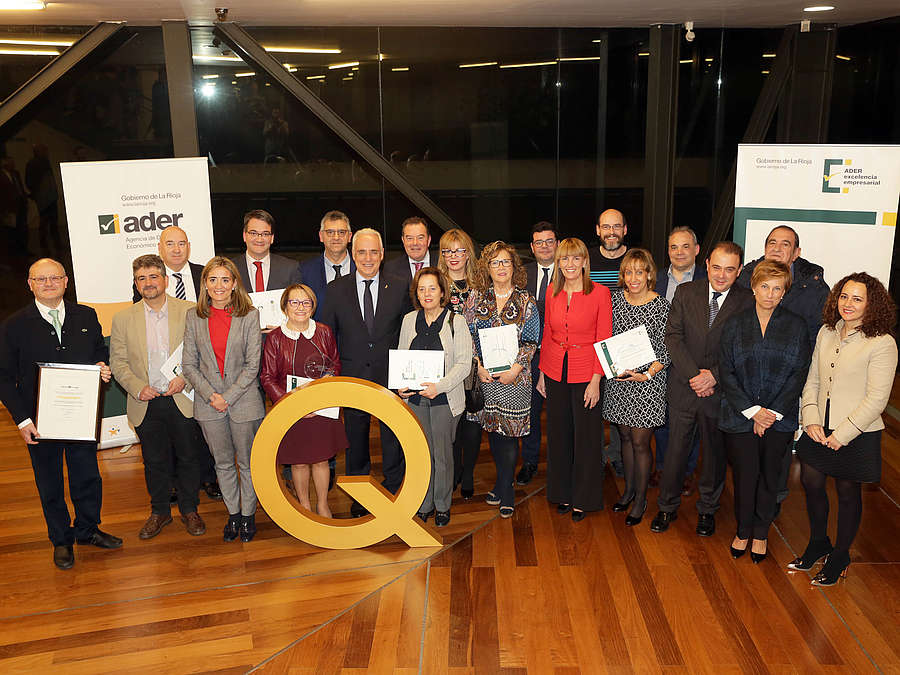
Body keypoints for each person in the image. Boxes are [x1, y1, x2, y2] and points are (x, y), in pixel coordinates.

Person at [0, 258, 120, 569]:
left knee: (88, 477)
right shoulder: (13, 325)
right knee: (49, 482)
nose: (49, 283)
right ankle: (61, 540)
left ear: (66, 281)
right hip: (39, 422)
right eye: (41, 279)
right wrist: (22, 421)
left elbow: (98, 352)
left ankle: (87, 530)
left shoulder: (86, 315)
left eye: (55, 278)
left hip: (80, 415)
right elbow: (3, 377)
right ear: (30, 284)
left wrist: (100, 366)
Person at [792, 273, 897, 585]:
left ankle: (840, 555)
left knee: (848, 492)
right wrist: (810, 418)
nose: (847, 304)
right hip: (818, 427)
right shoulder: (827, 332)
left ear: (871, 303)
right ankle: (817, 543)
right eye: (844, 296)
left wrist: (843, 434)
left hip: (857, 432)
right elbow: (812, 379)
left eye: (857, 298)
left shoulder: (882, 343)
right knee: (811, 483)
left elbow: (877, 398)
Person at [650, 242, 754, 536]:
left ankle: (707, 510)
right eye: (717, 267)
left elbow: (744, 348)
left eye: (730, 269)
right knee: (674, 453)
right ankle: (667, 507)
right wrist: (696, 376)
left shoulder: (747, 302)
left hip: (721, 394)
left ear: (739, 271)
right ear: (706, 264)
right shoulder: (686, 293)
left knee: (713, 456)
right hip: (684, 387)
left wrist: (714, 377)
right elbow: (673, 337)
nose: (721, 275)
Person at [718, 260, 810, 563]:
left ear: (784, 292)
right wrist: (753, 411)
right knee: (745, 478)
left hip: (779, 418)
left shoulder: (796, 326)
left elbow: (799, 372)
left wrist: (769, 413)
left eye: (777, 288)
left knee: (771, 478)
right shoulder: (734, 322)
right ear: (754, 288)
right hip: (740, 415)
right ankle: (743, 531)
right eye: (765, 287)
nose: (770, 294)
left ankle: (760, 533)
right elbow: (727, 371)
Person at [110, 255, 207, 539]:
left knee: (189, 457)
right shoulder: (122, 319)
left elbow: (200, 353)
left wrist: (185, 378)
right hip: (145, 400)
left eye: (153, 276)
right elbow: (118, 362)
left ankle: (190, 509)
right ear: (136, 283)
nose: (148, 283)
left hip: (183, 397)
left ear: (165, 280)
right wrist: (137, 387)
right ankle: (160, 511)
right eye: (142, 278)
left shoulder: (190, 311)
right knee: (154, 460)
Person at [319, 228, 412, 517]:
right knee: (355, 440)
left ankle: (394, 490)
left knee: (393, 437)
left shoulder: (400, 286)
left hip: (390, 376)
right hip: (352, 376)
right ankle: (361, 496)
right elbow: (327, 334)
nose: (368, 258)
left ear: (382, 255)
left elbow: (408, 331)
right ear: (352, 254)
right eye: (361, 252)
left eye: (374, 252)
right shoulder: (336, 289)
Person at [737, 225, 829, 510]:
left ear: (797, 253)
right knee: (747, 452)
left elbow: (816, 342)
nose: (777, 248)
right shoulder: (744, 280)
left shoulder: (813, 288)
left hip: (787, 387)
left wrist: (791, 386)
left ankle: (772, 501)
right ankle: (746, 502)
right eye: (772, 242)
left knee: (778, 451)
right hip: (747, 386)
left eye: (785, 244)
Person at [133, 225, 221, 502]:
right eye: (169, 244)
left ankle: (209, 477)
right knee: (174, 428)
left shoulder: (203, 275)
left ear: (189, 246)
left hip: (204, 364)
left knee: (204, 425)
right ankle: (172, 483)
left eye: (181, 243)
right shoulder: (149, 282)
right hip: (167, 373)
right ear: (160, 249)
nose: (176, 249)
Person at [182, 257, 265, 542]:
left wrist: (227, 397)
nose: (219, 286)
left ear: (234, 284)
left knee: (248, 462)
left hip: (244, 402)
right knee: (223, 464)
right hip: (208, 404)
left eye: (225, 280)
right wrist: (211, 396)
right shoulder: (194, 316)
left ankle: (248, 515)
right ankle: (233, 514)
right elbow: (189, 365)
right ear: (205, 283)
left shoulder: (250, 315)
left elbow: (253, 365)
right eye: (213, 279)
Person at [536, 238, 611, 521]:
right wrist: (543, 371)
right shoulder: (552, 293)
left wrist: (595, 380)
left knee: (586, 438)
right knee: (559, 434)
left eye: (575, 259)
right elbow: (546, 334)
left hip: (586, 372)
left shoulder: (600, 294)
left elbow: (603, 338)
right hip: (556, 370)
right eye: (564, 259)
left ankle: (584, 498)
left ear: (584, 262)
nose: (569, 264)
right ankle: (562, 493)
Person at [463, 241, 540, 518]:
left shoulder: (526, 300)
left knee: (509, 435)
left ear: (514, 266)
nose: (501, 267)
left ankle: (506, 490)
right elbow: (467, 337)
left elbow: (531, 341)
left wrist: (515, 370)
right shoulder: (474, 299)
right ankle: (500, 481)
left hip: (514, 380)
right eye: (495, 262)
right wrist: (478, 365)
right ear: (487, 268)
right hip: (484, 379)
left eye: (506, 262)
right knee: (494, 431)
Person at [260, 284, 345, 518]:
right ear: (285, 306)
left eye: (306, 302)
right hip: (291, 410)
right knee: (298, 462)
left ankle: (323, 505)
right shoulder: (275, 338)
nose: (300, 307)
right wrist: (291, 406)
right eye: (294, 302)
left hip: (322, 408)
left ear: (313, 306)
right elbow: (267, 377)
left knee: (321, 460)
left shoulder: (325, 332)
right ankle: (305, 506)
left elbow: (335, 364)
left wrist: (325, 388)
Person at [397, 267, 472, 527]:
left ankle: (441, 505)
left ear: (442, 292)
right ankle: (423, 502)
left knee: (442, 455)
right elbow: (402, 358)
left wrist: (438, 387)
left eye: (432, 288)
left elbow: (464, 365)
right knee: (420, 453)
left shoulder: (456, 322)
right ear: (416, 293)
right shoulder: (409, 320)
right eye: (421, 288)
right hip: (415, 400)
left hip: (444, 399)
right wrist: (401, 385)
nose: (427, 293)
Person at [603, 248, 670, 526]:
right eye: (628, 272)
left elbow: (668, 348)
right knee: (626, 439)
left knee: (641, 442)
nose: (633, 277)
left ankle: (641, 499)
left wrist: (647, 375)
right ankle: (629, 490)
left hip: (647, 384)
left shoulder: (661, 305)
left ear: (649, 274)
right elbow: (605, 338)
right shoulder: (614, 301)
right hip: (620, 383)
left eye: (639, 272)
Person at [651, 226, 707, 494]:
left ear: (696, 250)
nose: (679, 252)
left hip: (693, 364)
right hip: (660, 362)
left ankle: (684, 472)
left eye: (686, 246)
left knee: (690, 419)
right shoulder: (656, 280)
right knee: (662, 419)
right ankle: (663, 466)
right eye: (674, 247)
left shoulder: (710, 281)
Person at [438, 228, 481, 500]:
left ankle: (468, 474)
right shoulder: (436, 284)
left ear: (468, 254)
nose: (454, 256)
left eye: (459, 250)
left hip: (477, 365)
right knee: (450, 422)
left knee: (473, 422)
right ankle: (452, 473)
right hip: (446, 365)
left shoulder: (481, 285)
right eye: (448, 251)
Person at [587, 208, 627, 475]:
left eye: (616, 227)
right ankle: (595, 456)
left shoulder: (634, 261)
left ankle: (618, 456)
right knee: (593, 404)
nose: (611, 232)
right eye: (606, 227)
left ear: (625, 229)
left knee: (621, 407)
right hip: (591, 345)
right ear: (598, 230)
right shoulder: (586, 261)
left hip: (625, 345)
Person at [518, 221, 557, 486]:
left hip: (558, 356)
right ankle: (530, 461)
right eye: (539, 242)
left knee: (559, 414)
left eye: (549, 241)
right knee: (530, 413)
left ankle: (558, 464)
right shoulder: (522, 274)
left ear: (557, 244)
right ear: (532, 247)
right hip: (528, 357)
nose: (544, 246)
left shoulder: (569, 273)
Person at [230, 209, 303, 327]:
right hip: (240, 341)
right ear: (244, 235)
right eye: (253, 233)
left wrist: (286, 326)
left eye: (265, 234)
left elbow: (299, 307)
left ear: (272, 238)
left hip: (280, 340)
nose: (259, 239)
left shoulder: (290, 268)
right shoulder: (230, 269)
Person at [299, 210, 355, 319]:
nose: (336, 237)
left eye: (342, 232)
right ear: (321, 236)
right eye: (330, 232)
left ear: (349, 236)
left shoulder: (362, 268)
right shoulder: (304, 271)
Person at [383, 216, 437, 282]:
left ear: (428, 240)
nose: (415, 243)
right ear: (403, 240)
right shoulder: (390, 269)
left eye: (420, 238)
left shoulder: (443, 264)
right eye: (409, 238)